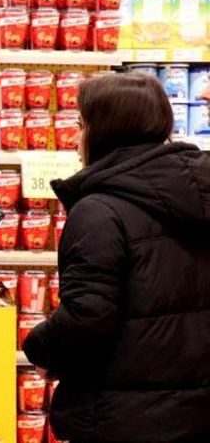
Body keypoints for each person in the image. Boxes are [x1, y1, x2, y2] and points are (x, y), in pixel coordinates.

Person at [23, 73, 210, 443]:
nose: (75, 140)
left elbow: (87, 316)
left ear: (105, 130)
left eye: (81, 126)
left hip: (121, 418)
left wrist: (41, 348)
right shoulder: (200, 194)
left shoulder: (99, 211)